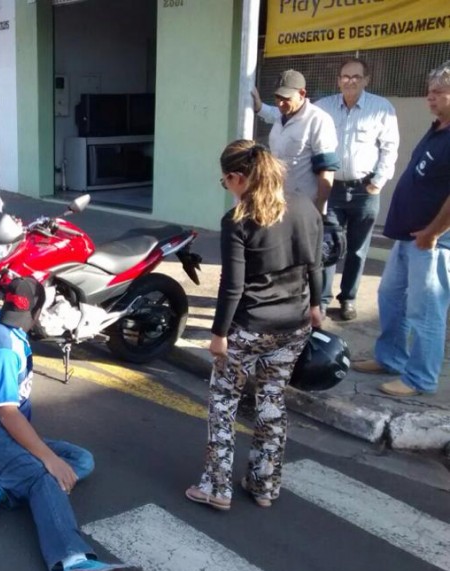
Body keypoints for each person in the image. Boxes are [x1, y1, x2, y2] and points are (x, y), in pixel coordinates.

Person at [0, 276, 146, 571]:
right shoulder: (4, 347)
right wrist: (47, 458)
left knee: (81, 460)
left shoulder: (1, 324)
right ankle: (75, 562)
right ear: (37, 311)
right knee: (43, 476)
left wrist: (49, 458)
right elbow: (8, 414)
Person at [186, 140, 323, 511]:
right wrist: (316, 305)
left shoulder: (238, 221)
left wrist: (218, 336)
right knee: (272, 401)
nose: (226, 187)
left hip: (248, 329)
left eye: (225, 181)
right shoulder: (304, 206)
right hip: (293, 325)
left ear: (237, 177)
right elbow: (314, 263)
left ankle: (217, 487)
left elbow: (233, 285)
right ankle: (263, 485)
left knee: (224, 402)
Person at [352, 61, 450, 398]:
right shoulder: (438, 128)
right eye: (429, 92)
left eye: (438, 92)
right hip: (410, 235)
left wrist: (433, 233)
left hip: (434, 239)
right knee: (390, 296)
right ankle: (391, 357)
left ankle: (420, 378)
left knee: (425, 311)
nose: (430, 98)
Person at [313, 58, 400, 321]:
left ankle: (348, 298)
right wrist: (261, 108)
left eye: (356, 77)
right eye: (345, 77)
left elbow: (389, 148)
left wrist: (378, 182)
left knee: (358, 249)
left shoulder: (381, 108)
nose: (350, 81)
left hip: (365, 190)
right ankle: (324, 299)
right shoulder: (323, 107)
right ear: (338, 80)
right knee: (328, 245)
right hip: (332, 189)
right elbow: (295, 114)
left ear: (366, 79)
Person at [253, 70, 341, 216]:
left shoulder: (318, 120)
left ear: (302, 93)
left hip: (305, 207)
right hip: (276, 202)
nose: (280, 103)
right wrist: (258, 105)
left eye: (286, 98)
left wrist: (319, 210)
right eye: (277, 97)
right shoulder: (281, 115)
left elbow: (327, 168)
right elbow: (269, 112)